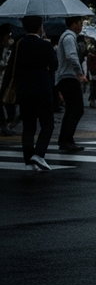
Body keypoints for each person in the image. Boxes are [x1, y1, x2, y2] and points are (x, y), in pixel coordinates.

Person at [3, 16, 56, 171]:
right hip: (42, 90)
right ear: (40, 27)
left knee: (28, 127)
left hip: (24, 91)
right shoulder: (44, 45)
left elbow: (11, 67)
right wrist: (49, 47)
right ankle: (39, 154)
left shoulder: (19, 44)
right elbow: (54, 65)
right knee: (47, 124)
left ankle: (28, 161)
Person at [54, 16, 87, 152]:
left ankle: (66, 139)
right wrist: (79, 73)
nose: (81, 26)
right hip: (68, 77)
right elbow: (71, 55)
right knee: (76, 109)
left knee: (72, 109)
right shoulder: (69, 37)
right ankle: (66, 139)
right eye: (80, 23)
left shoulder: (68, 36)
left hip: (66, 77)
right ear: (73, 24)